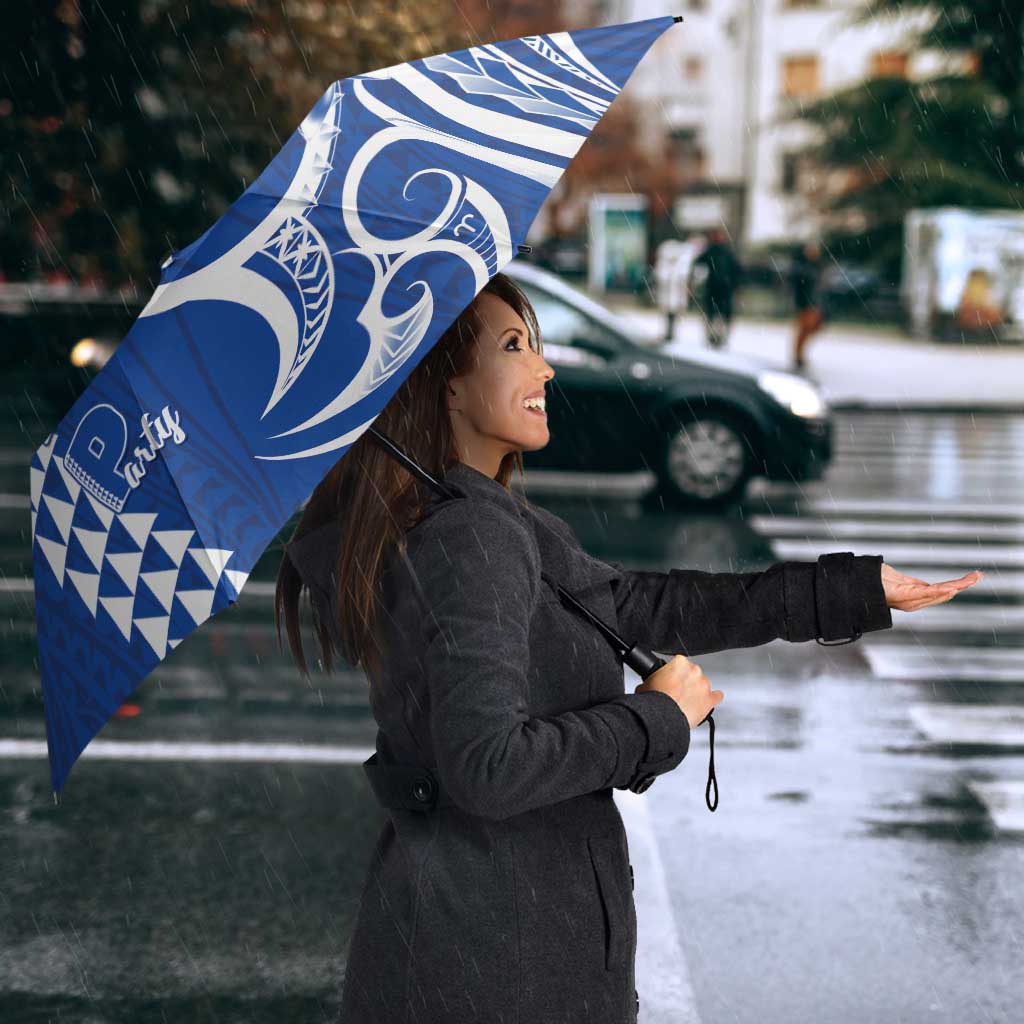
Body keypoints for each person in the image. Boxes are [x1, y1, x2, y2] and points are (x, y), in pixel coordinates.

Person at [275, 271, 981, 1024]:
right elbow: (487, 768)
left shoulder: (480, 519)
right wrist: (655, 719)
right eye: (514, 346)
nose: (544, 368)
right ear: (445, 386)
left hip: (481, 942)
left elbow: (643, 605)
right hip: (497, 963)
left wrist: (850, 591)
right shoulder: (469, 536)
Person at [692, 226, 742, 349]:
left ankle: (719, 337)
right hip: (715, 288)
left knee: (720, 315)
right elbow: (698, 264)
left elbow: (736, 270)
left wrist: (735, 284)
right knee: (713, 314)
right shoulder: (712, 251)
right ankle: (713, 337)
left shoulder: (725, 252)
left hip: (723, 288)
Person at [790, 239, 826, 370]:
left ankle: (799, 354)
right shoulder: (802, 267)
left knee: (812, 328)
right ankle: (798, 355)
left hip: (814, 303)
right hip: (805, 303)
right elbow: (799, 286)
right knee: (804, 329)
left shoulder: (817, 266)